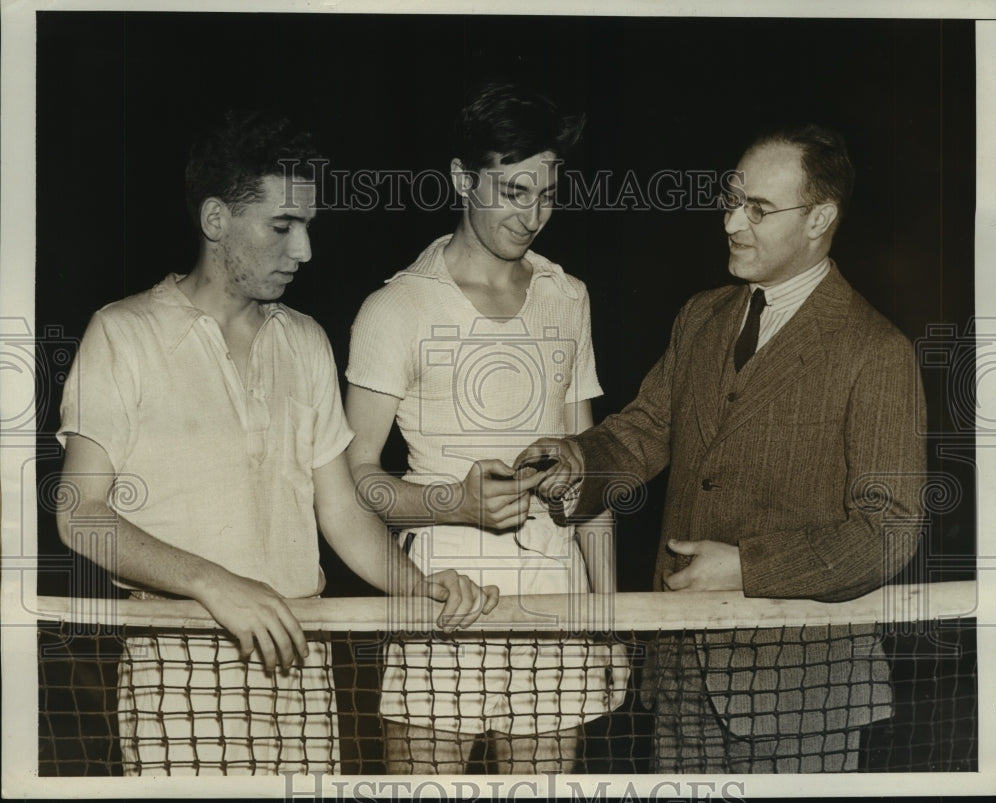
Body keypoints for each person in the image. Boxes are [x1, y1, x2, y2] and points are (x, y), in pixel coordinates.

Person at [54, 110, 498, 777]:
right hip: (182, 669)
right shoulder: (123, 333)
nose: (305, 251)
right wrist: (215, 584)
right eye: (283, 226)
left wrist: (416, 586)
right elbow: (79, 513)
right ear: (215, 220)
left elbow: (341, 511)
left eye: (309, 227)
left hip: (300, 657)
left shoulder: (307, 340)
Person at [519, 124, 926, 773]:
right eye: (731, 198)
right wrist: (578, 459)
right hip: (681, 681)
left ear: (820, 217)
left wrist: (747, 567)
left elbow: (889, 531)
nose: (732, 221)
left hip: (801, 697)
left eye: (759, 208)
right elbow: (644, 429)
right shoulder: (702, 316)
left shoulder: (875, 352)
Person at [345, 82, 627, 774]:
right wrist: (454, 502)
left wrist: (613, 618)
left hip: (556, 598)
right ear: (462, 178)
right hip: (445, 593)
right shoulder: (395, 308)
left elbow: (588, 475)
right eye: (511, 190)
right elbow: (354, 481)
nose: (532, 214)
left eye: (547, 192)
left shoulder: (569, 296)